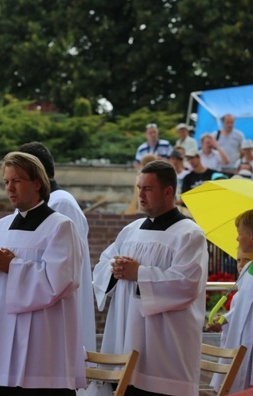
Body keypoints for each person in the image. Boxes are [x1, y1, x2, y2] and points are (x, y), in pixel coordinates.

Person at [0, 151, 86, 395]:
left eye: (16, 181)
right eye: (6, 182)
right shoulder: (0, 227)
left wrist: (12, 266)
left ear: (37, 183)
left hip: (42, 346)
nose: (9, 188)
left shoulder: (61, 226)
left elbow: (62, 281)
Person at [92, 160, 208, 395]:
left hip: (164, 347)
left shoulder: (189, 234)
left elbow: (187, 284)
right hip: (123, 335)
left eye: (147, 189)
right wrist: (115, 271)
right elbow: (103, 265)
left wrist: (139, 274)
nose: (141, 195)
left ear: (168, 191)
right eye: (139, 188)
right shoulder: (131, 230)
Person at [18, 141, 96, 354]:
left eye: (18, 177)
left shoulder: (61, 204)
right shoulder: (28, 208)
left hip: (54, 309)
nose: (11, 186)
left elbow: (64, 267)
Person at [209, 210, 253, 393]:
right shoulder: (248, 268)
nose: (237, 240)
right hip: (243, 342)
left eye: (239, 234)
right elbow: (242, 305)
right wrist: (225, 319)